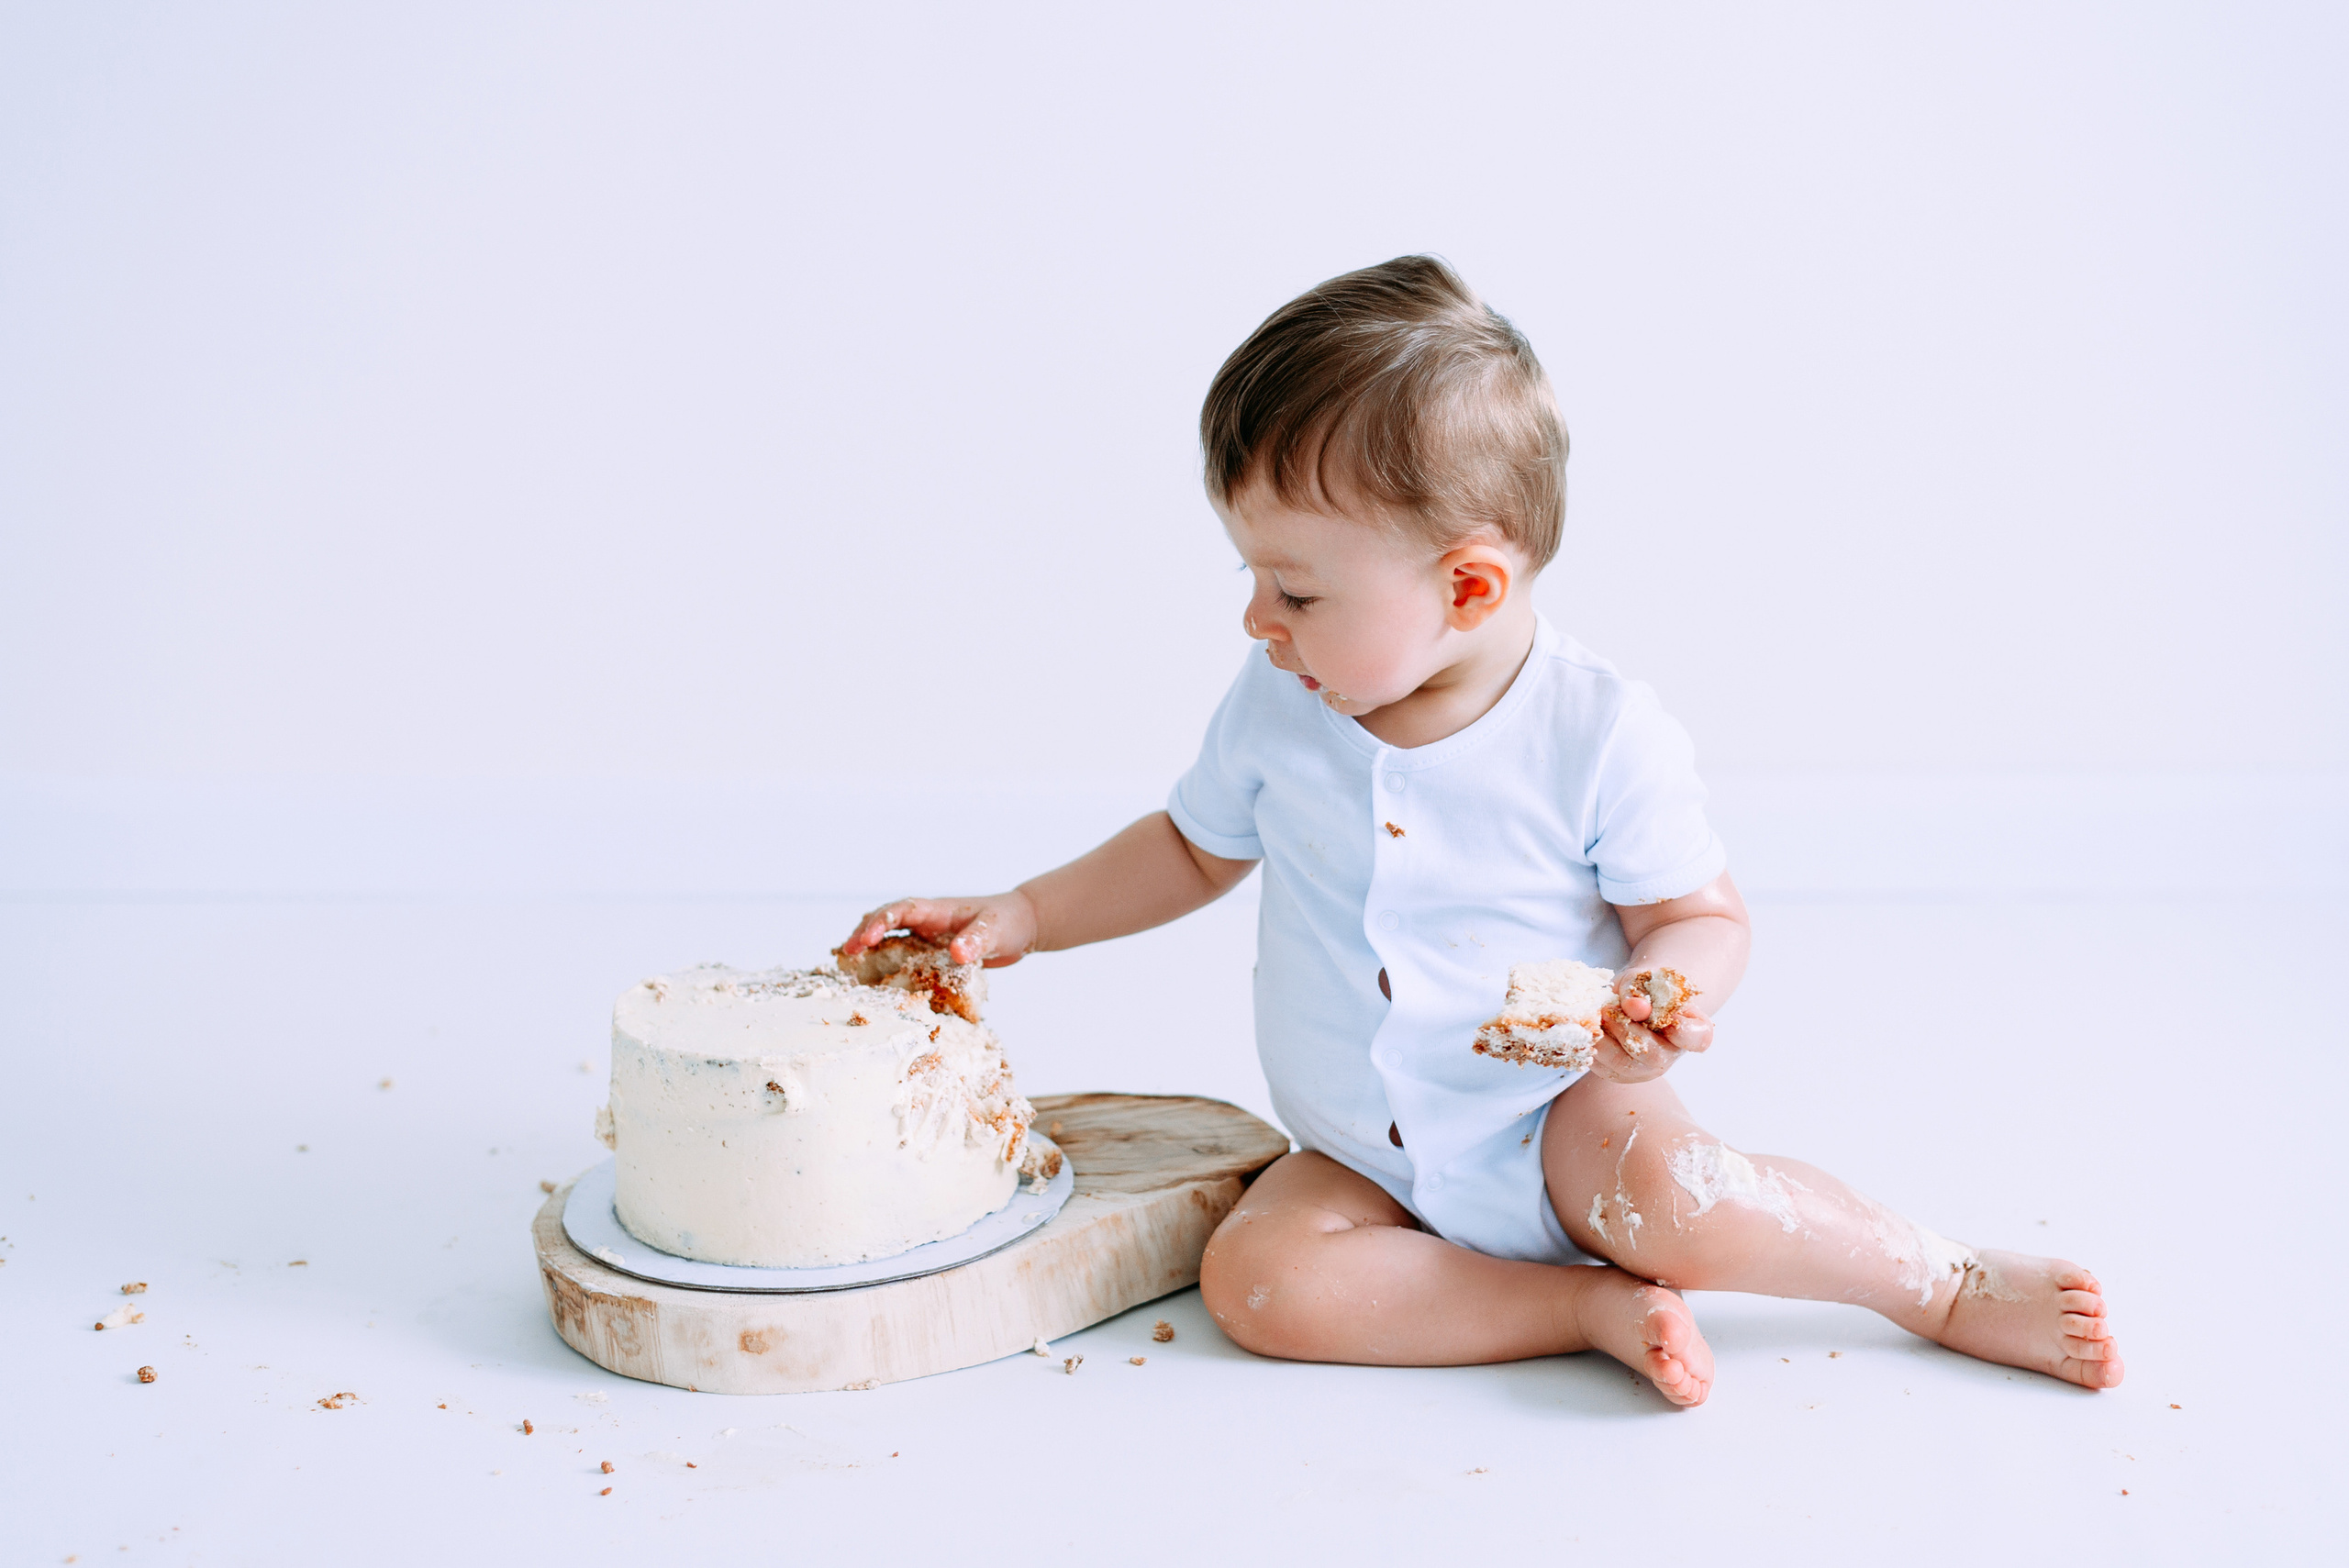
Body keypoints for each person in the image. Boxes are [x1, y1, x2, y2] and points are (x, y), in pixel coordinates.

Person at [837, 256, 2121, 1406]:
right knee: (1261, 1284)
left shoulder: (1596, 731)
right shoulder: (1283, 706)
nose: (1256, 622)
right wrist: (1025, 914)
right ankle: (1575, 1308)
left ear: (1468, 585)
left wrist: (1664, 989)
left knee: (1684, 1201)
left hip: (1562, 1115)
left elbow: (1700, 912)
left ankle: (1930, 1278)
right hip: (1366, 1154)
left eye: (1292, 587)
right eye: (1249, 579)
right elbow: (1189, 845)